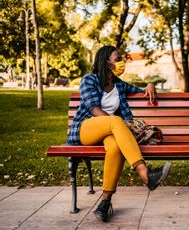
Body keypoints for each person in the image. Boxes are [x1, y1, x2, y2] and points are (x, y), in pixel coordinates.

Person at [67, 45, 171, 222]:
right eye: (117, 59)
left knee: (115, 146)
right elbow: (94, 110)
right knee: (116, 121)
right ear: (106, 61)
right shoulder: (89, 80)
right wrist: (116, 125)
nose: (122, 62)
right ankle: (144, 173)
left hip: (109, 133)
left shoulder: (119, 85)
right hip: (86, 130)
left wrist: (151, 85)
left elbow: (141, 90)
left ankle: (105, 202)